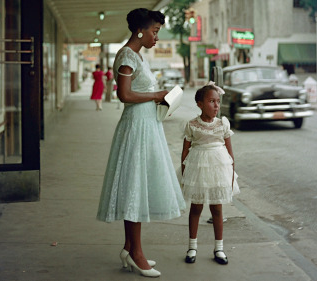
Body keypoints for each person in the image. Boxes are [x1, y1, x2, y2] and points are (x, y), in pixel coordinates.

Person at [96, 8, 185, 278]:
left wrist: (160, 98)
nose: (157, 37)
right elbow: (123, 95)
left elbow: (137, 91)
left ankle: (129, 247)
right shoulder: (126, 56)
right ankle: (136, 253)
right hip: (136, 127)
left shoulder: (137, 56)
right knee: (135, 186)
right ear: (140, 31)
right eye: (155, 31)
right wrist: (157, 94)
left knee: (139, 186)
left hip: (147, 125)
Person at [179, 82, 240, 266]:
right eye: (211, 101)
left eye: (218, 101)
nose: (216, 106)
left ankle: (219, 248)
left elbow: (230, 155)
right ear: (200, 104)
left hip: (218, 169)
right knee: (196, 208)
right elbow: (185, 152)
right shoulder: (192, 125)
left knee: (217, 209)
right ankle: (192, 246)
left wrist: (230, 176)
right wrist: (184, 176)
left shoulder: (222, 124)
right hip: (198, 169)